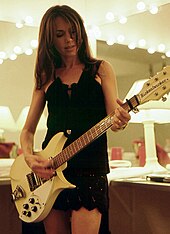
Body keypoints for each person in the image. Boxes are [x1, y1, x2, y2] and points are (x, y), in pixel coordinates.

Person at [20, 4, 131, 234]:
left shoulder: (101, 69)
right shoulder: (46, 75)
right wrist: (30, 159)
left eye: (74, 32)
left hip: (90, 171)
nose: (70, 40)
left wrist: (121, 119)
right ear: (50, 39)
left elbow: (114, 119)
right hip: (51, 174)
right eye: (60, 35)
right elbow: (27, 131)